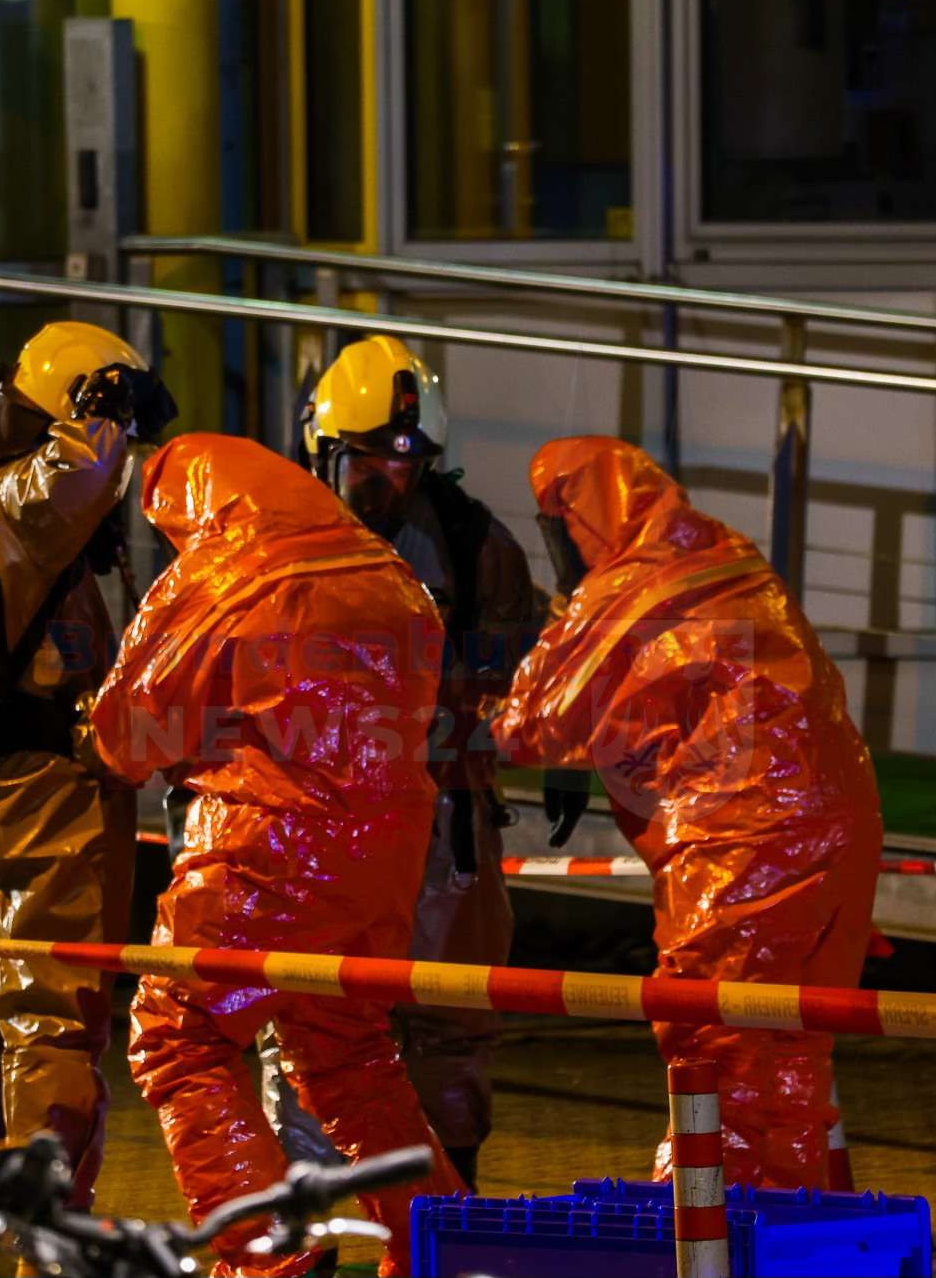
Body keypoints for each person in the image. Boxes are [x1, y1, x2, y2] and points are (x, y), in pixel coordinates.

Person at [82, 433, 466, 1277]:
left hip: (267, 850)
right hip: (382, 863)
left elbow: (127, 735)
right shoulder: (394, 578)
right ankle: (443, 1249)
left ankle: (264, 1263)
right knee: (350, 1054)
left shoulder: (221, 570)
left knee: (180, 1036)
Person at [490, 436, 882, 1190]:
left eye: (557, 525)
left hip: (746, 842)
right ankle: (789, 1236)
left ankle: (705, 1236)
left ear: (582, 517)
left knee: (712, 1049)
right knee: (793, 1054)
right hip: (843, 828)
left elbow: (530, 722)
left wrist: (466, 714)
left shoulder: (626, 587)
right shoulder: (724, 552)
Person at [0, 321, 175, 1261]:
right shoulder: (25, 496)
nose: (128, 455)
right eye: (117, 425)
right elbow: (78, 475)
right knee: (50, 1024)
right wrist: (104, 414)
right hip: (42, 799)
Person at [281, 334, 543, 1189]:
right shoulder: (270, 537)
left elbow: (525, 670)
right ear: (324, 451)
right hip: (311, 818)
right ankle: (310, 1225)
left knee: (450, 1011)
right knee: (309, 1016)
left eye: (408, 458)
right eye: (370, 458)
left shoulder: (472, 543)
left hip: (440, 819)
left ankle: (449, 1201)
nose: (393, 477)